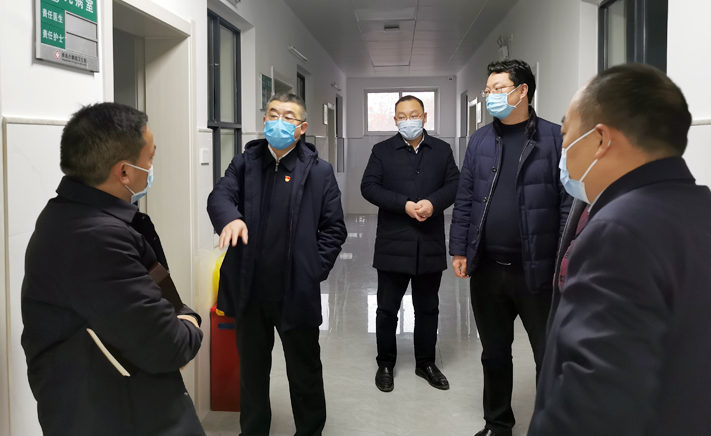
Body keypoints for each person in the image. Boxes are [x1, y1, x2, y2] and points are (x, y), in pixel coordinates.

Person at [529, 63, 711, 436]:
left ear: (600, 140)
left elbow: (594, 404)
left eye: (566, 134)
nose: (563, 149)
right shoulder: (699, 207)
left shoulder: (618, 231)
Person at [21, 103, 205, 436]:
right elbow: (170, 347)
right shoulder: (98, 239)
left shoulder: (69, 214)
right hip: (121, 418)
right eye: (150, 158)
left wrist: (179, 315)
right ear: (124, 172)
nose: (151, 168)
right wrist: (190, 322)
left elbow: (164, 303)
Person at [207, 93, 347, 436]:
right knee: (252, 374)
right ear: (265, 120)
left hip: (295, 291)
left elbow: (334, 229)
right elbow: (220, 195)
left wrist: (313, 269)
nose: (278, 122)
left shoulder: (319, 171)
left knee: (304, 372)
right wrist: (231, 218)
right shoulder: (245, 163)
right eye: (273, 114)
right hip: (250, 290)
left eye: (288, 117)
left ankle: (309, 431)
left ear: (302, 128)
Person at [449, 60, 572, 436]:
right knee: (494, 353)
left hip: (538, 271)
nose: (491, 96)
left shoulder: (555, 138)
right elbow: (465, 198)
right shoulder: (480, 140)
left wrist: (563, 259)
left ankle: (550, 426)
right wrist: (459, 249)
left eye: (499, 89)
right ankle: (497, 423)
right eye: (488, 90)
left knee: (548, 355)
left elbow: (568, 204)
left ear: (523, 91)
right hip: (487, 267)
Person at [361, 95, 460, 393]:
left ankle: (425, 363)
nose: (408, 120)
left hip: (429, 242)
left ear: (425, 117)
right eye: (402, 116)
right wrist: (403, 204)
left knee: (428, 308)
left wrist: (433, 203)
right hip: (393, 242)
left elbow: (455, 185)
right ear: (395, 120)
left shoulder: (441, 150)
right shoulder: (382, 151)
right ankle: (385, 363)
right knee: (386, 309)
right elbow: (369, 187)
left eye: (414, 115)